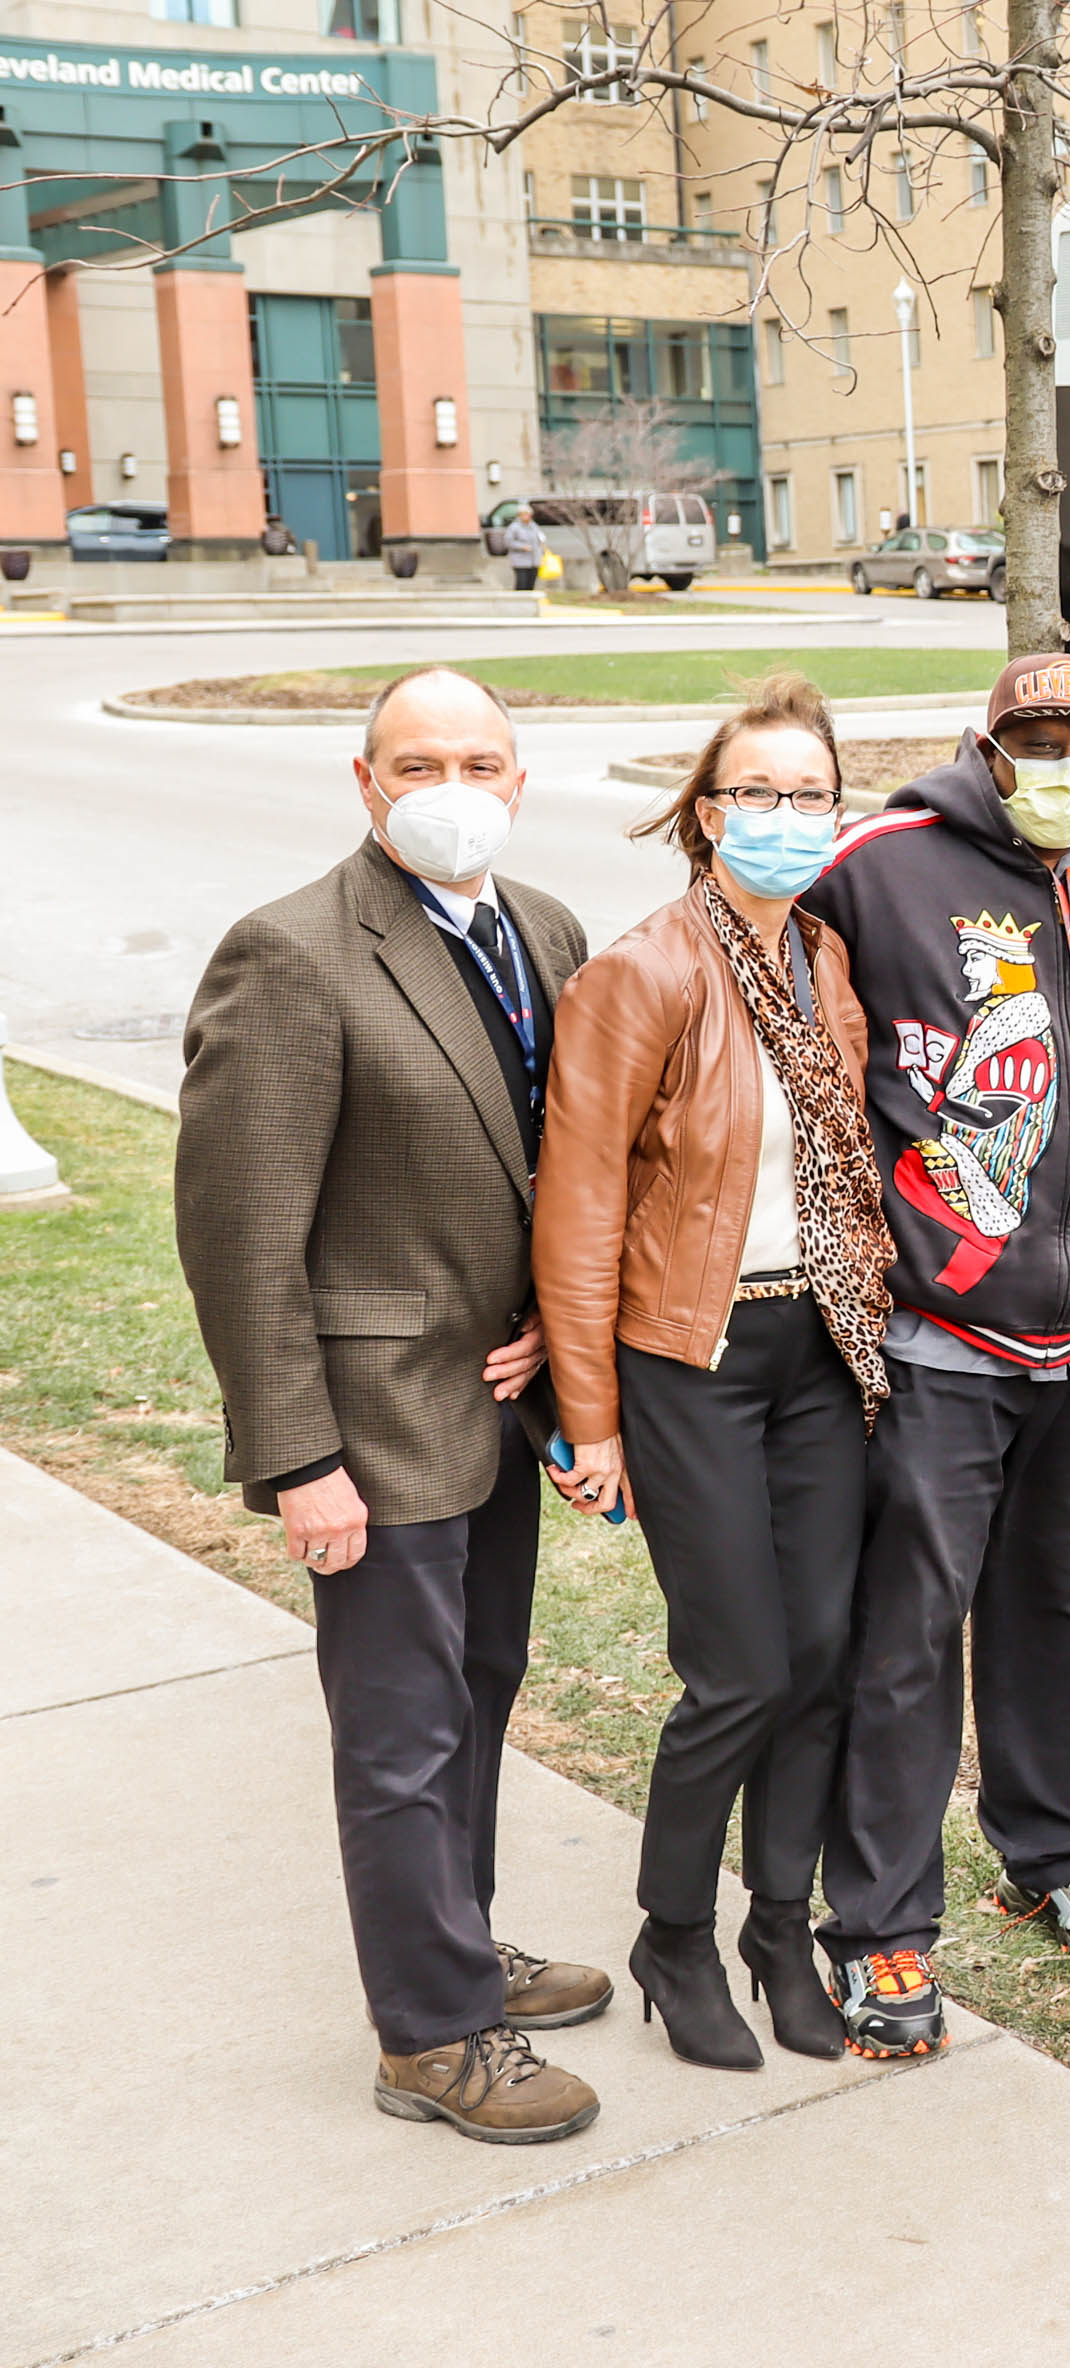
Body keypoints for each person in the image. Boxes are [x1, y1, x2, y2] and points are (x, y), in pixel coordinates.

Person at [176, 666, 608, 2143]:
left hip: (496, 1402)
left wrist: (560, 1334)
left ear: (520, 778)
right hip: (371, 1424)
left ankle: (460, 1940)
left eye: (481, 760)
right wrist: (298, 1458)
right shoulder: (289, 955)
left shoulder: (543, 929)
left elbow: (561, 1165)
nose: (452, 785)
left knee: (479, 1693)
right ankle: (429, 2034)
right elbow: (241, 1233)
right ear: (365, 784)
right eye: (418, 762)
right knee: (399, 1732)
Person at [793, 653, 1070, 2055]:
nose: (1066, 764)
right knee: (908, 1637)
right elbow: (788, 1023)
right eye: (1041, 740)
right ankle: (883, 1927)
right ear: (990, 745)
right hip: (944, 1333)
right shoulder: (880, 866)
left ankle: (1060, 1850)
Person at [532, 675, 892, 2069]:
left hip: (823, 1346)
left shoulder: (823, 961)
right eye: (758, 792)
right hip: (692, 1352)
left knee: (817, 1663)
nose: (784, 817)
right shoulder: (645, 971)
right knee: (738, 1669)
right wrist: (588, 1416)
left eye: (810, 794)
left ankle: (777, 1931)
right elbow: (576, 1204)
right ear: (704, 811)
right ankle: (673, 1931)